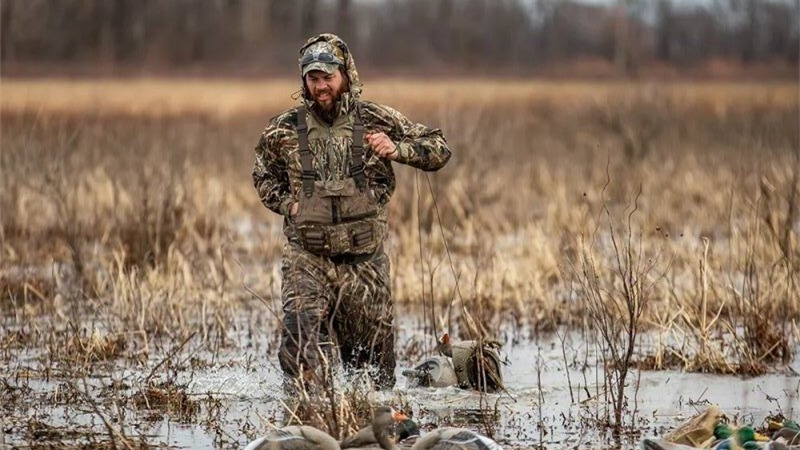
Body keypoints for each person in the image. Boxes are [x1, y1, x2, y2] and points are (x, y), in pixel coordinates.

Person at [252, 33, 451, 390]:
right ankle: (308, 417)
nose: (320, 86)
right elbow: (263, 175)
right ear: (303, 80)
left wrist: (397, 150)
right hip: (307, 258)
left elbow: (439, 148)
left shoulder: (375, 118)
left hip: (365, 262)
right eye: (313, 78)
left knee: (373, 378)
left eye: (328, 77)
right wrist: (288, 205)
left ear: (345, 75)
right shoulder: (282, 128)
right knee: (300, 353)